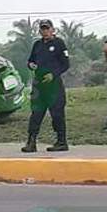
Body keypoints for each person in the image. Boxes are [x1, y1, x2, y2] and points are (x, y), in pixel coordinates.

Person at [21, 20, 70, 152]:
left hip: (53, 85)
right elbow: (30, 60)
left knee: (57, 114)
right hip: (39, 84)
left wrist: (53, 74)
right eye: (42, 29)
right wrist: (30, 64)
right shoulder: (37, 45)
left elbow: (65, 64)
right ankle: (31, 142)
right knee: (36, 113)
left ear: (52, 30)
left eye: (47, 29)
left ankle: (61, 142)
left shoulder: (59, 43)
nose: (45, 31)